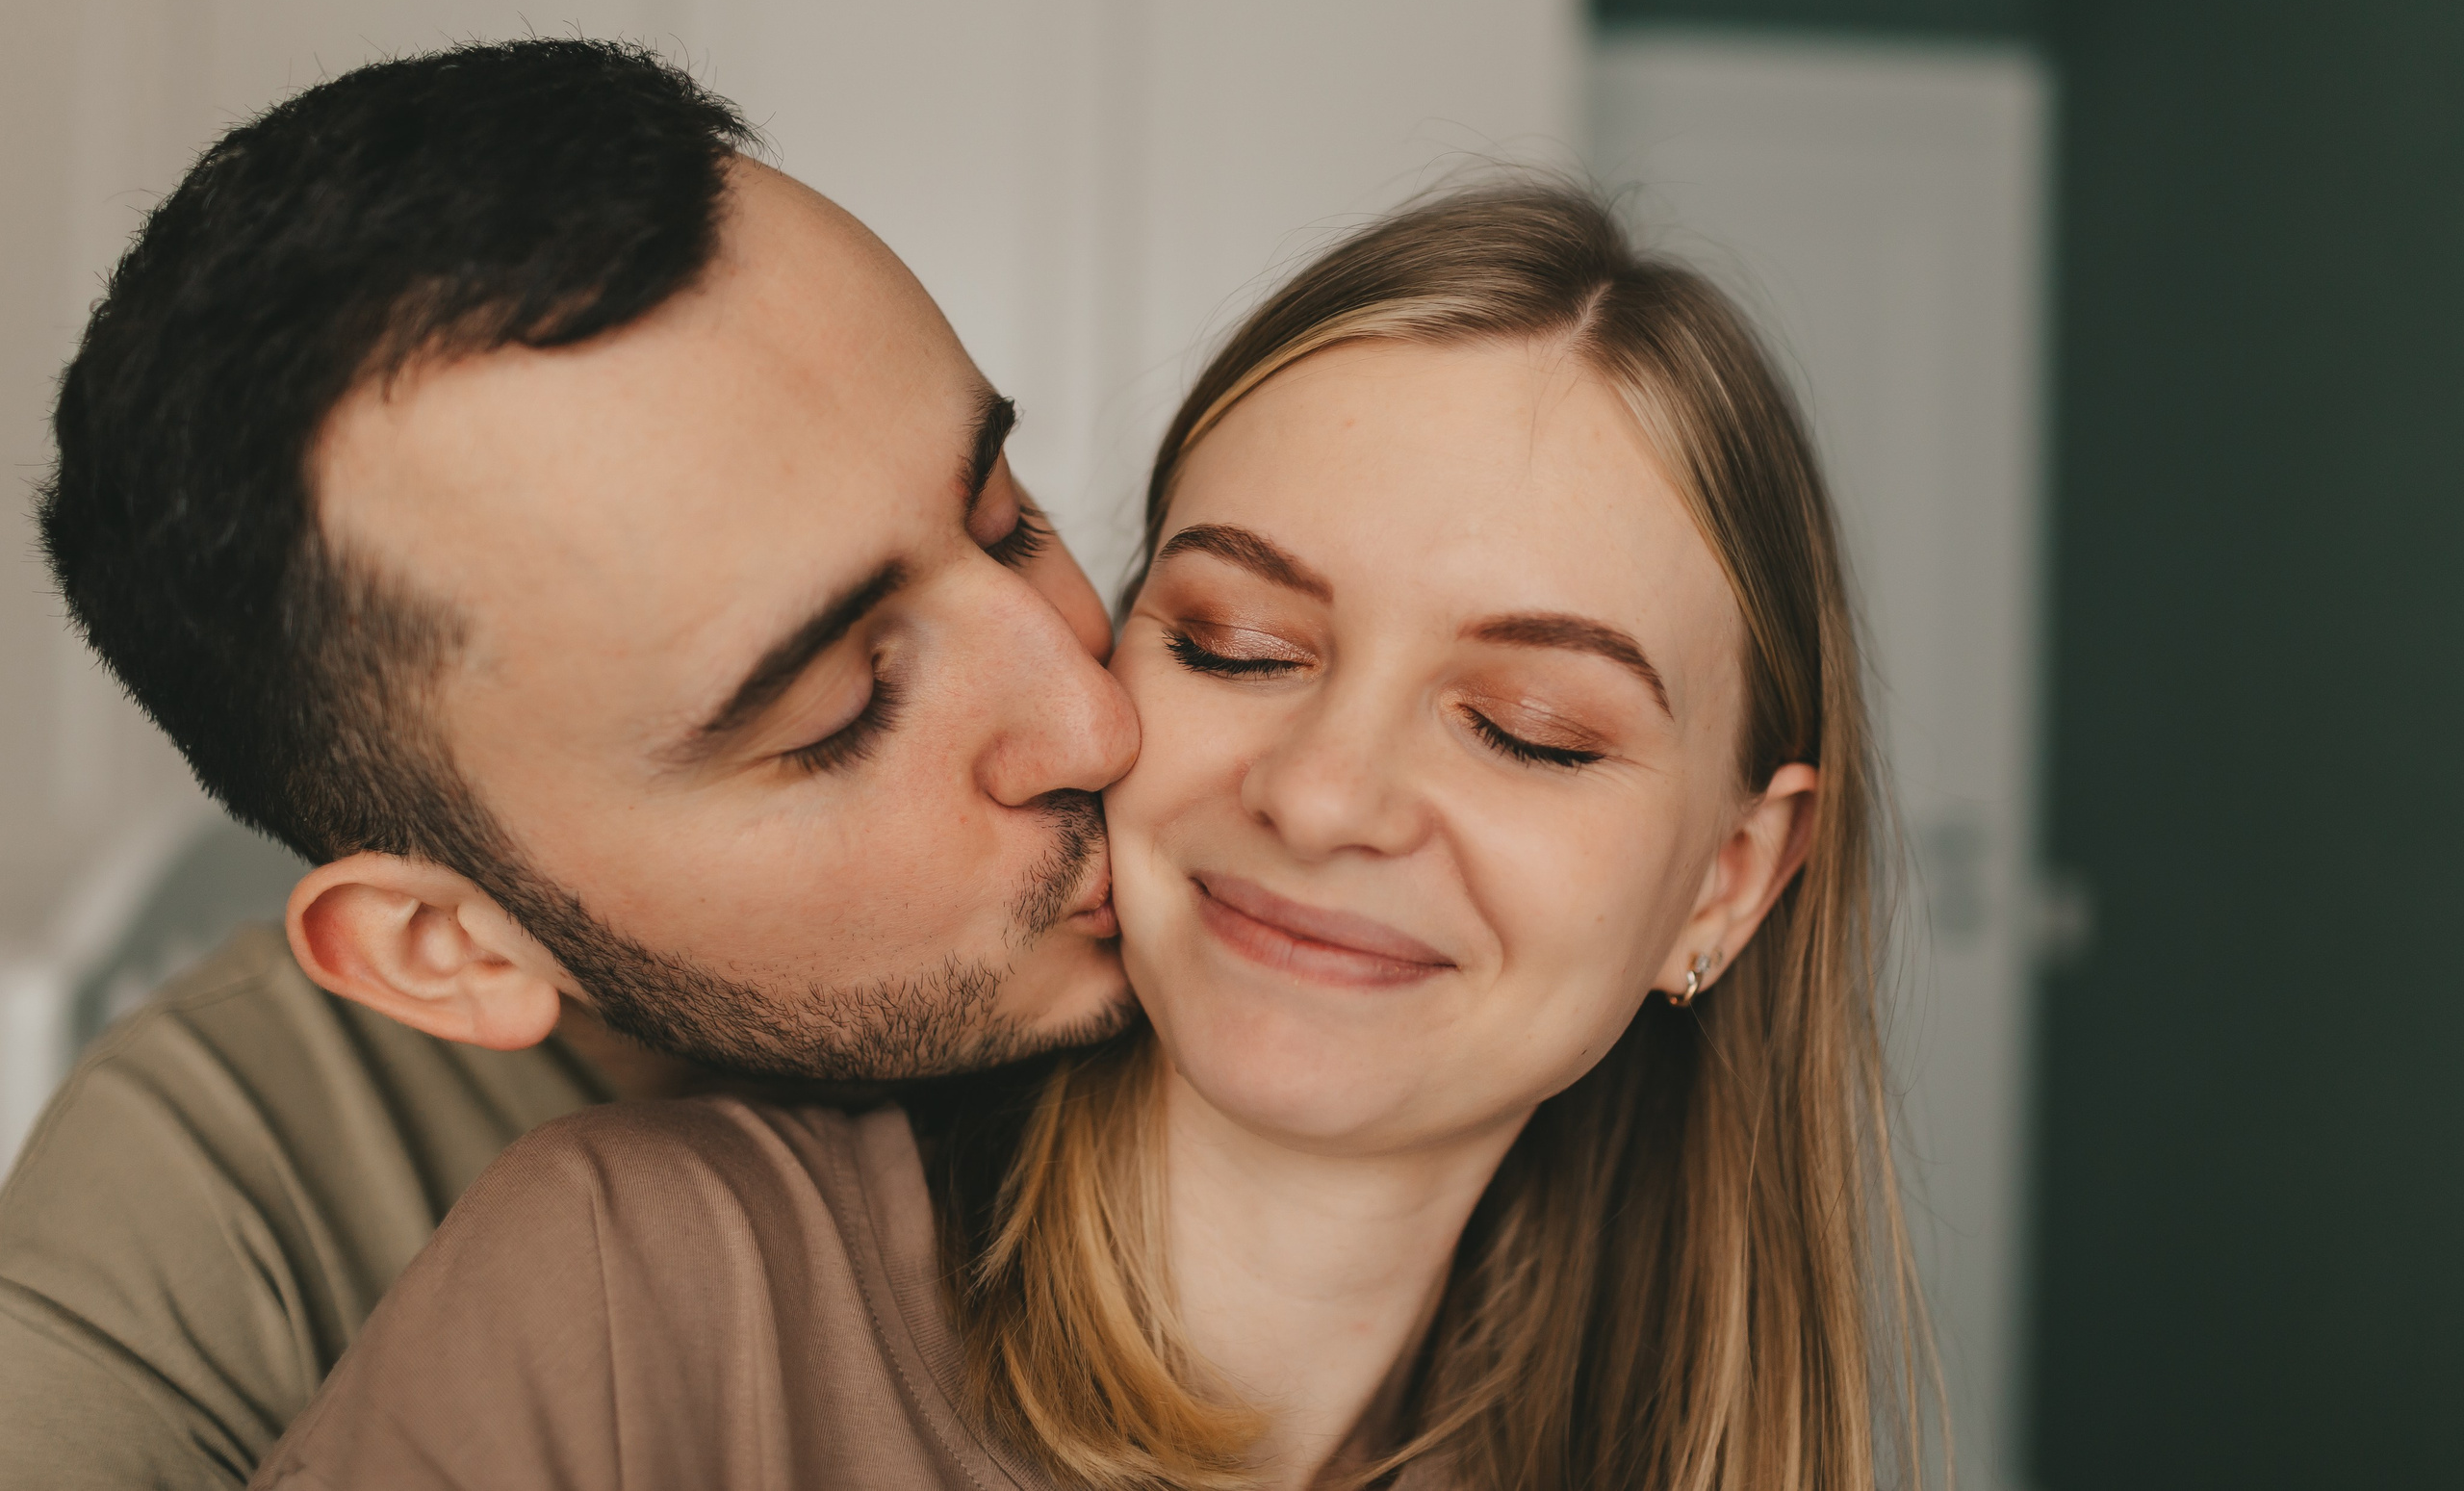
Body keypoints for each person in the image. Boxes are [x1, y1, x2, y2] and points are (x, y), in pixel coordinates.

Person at [249, 183, 1929, 1491]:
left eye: (1526, 728)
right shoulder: (639, 1294)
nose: (1324, 793)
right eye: (1234, 645)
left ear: (1729, 881)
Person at [1, 40, 1139, 1488]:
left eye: (1003, 522)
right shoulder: (212, 1213)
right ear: (446, 950)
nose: (1097, 721)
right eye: (843, 711)